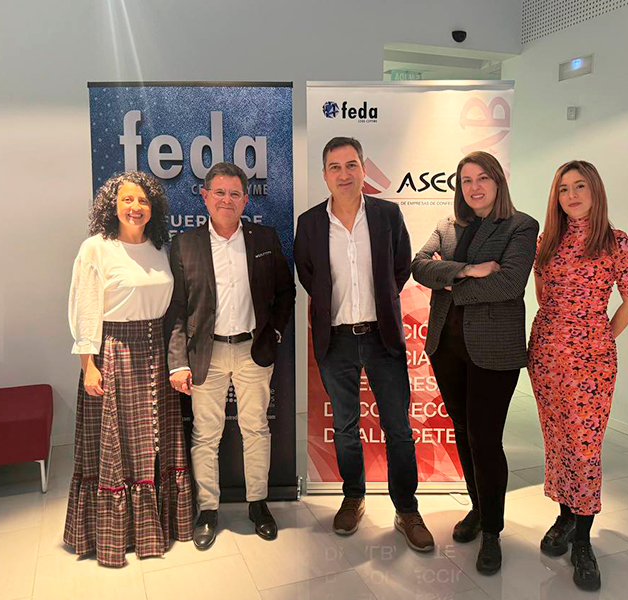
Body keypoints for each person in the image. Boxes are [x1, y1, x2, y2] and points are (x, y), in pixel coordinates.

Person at [294, 136, 434, 552]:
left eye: (351, 165)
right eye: (335, 167)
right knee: (345, 427)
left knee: (398, 429)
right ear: (324, 175)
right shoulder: (310, 223)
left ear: (363, 169)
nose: (344, 174)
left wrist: (380, 305)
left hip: (381, 338)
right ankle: (353, 497)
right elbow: (309, 275)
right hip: (335, 340)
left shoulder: (387, 215)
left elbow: (400, 267)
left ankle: (407, 509)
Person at [411, 151, 538, 574]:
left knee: (486, 440)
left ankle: (493, 533)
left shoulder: (521, 226)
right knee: (464, 433)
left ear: (498, 181)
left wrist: (448, 282)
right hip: (446, 346)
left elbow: (509, 283)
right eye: (466, 180)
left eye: (482, 178)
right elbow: (418, 267)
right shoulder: (448, 226)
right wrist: (468, 270)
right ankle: (479, 509)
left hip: (493, 351)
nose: (474, 187)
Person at [65, 171, 194, 568]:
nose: (135, 207)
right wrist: (88, 365)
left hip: (156, 351)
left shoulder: (160, 248)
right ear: (112, 206)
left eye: (143, 201)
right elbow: (85, 308)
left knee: (156, 443)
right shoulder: (96, 248)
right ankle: (116, 537)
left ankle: (155, 530)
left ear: (153, 208)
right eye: (127, 200)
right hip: (114, 353)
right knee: (116, 447)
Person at [166, 162, 295, 550]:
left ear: (245, 199)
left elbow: (285, 293)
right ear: (205, 197)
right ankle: (208, 510)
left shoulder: (264, 238)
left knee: (256, 428)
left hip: (253, 351)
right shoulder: (184, 244)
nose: (227, 200)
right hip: (206, 355)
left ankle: (258, 503)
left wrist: (274, 333)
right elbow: (177, 308)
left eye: (235, 193)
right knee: (206, 434)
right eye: (219, 192)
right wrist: (178, 361)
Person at [528, 160, 628, 591]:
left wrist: (599, 336)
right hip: (545, 354)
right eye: (563, 189)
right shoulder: (547, 241)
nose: (571, 195)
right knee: (558, 440)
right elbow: (543, 295)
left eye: (580, 186)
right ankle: (565, 517)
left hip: (591, 361)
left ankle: (583, 541)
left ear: (596, 191)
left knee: (585, 448)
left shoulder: (616, 242)